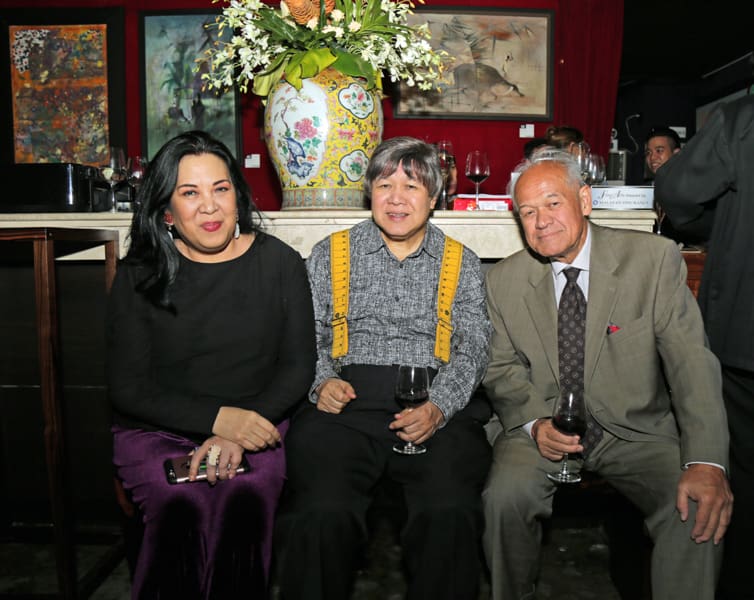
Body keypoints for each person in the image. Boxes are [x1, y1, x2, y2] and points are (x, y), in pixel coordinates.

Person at [482, 148, 732, 600]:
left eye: (553, 203)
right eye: (528, 212)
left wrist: (706, 461)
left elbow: (691, 362)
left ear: (584, 200)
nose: (541, 222)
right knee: (505, 498)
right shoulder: (503, 281)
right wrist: (534, 423)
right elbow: (500, 366)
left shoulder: (652, 260)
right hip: (542, 427)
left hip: (637, 431)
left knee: (697, 505)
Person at [275, 136, 492, 600]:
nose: (396, 198)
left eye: (412, 186)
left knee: (449, 511)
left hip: (435, 407)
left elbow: (474, 346)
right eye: (385, 185)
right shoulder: (330, 254)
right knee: (320, 512)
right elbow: (304, 334)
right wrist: (321, 380)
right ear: (369, 192)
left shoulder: (463, 263)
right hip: (344, 407)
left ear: (433, 198)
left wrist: (440, 405)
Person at [106, 130, 316, 598]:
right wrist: (219, 421)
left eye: (220, 189)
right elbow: (128, 389)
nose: (209, 206)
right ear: (166, 211)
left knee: (246, 495)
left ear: (237, 197)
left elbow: (299, 366)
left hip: (257, 423)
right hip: (155, 430)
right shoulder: (140, 273)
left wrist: (239, 430)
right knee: (179, 501)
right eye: (189, 193)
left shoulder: (280, 263)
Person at [654, 94, 754, 600]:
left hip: (745, 333)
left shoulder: (744, 119)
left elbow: (677, 189)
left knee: (742, 483)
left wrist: (725, 223)